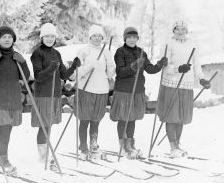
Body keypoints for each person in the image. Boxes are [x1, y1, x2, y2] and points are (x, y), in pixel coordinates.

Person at [110, 27, 168, 159]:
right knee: (123, 117)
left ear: (137, 39)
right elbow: (120, 72)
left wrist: (159, 65)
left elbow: (150, 69)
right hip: (124, 90)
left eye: (134, 37)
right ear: (125, 38)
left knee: (132, 118)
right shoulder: (120, 52)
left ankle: (130, 144)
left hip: (137, 90)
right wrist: (134, 66)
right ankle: (123, 145)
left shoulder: (142, 52)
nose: (132, 39)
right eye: (129, 37)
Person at [0, 26, 30, 174]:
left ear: (13, 39)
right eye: (4, 37)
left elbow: (25, 77)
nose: (7, 39)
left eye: (9, 37)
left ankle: (0, 157)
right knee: (3, 130)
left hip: (13, 99)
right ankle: (3, 159)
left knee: (6, 130)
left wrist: (23, 63)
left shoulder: (17, 56)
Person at [157, 20, 210, 157]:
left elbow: (196, 64)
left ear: (187, 31)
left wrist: (201, 78)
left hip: (186, 84)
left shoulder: (192, 44)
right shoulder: (168, 44)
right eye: (177, 29)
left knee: (180, 117)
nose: (180, 32)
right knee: (171, 116)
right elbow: (165, 65)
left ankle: (177, 144)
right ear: (173, 30)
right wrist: (178, 69)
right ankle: (172, 146)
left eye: (183, 29)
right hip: (171, 83)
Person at [30, 23, 81, 165]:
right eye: (47, 36)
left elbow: (63, 74)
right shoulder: (37, 53)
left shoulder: (56, 53)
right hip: (43, 94)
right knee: (44, 125)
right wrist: (51, 68)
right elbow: (38, 76)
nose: (50, 39)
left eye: (52, 36)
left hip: (55, 94)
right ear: (42, 37)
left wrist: (74, 66)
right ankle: (43, 156)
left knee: (49, 125)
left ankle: (46, 154)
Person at [74, 25, 115, 160]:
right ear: (90, 37)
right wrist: (90, 66)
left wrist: (110, 68)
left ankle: (93, 143)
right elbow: (76, 73)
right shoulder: (83, 51)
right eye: (94, 35)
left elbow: (110, 73)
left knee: (96, 120)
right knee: (85, 120)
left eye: (99, 36)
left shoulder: (106, 52)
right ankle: (83, 146)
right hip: (86, 89)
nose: (97, 38)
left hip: (101, 90)